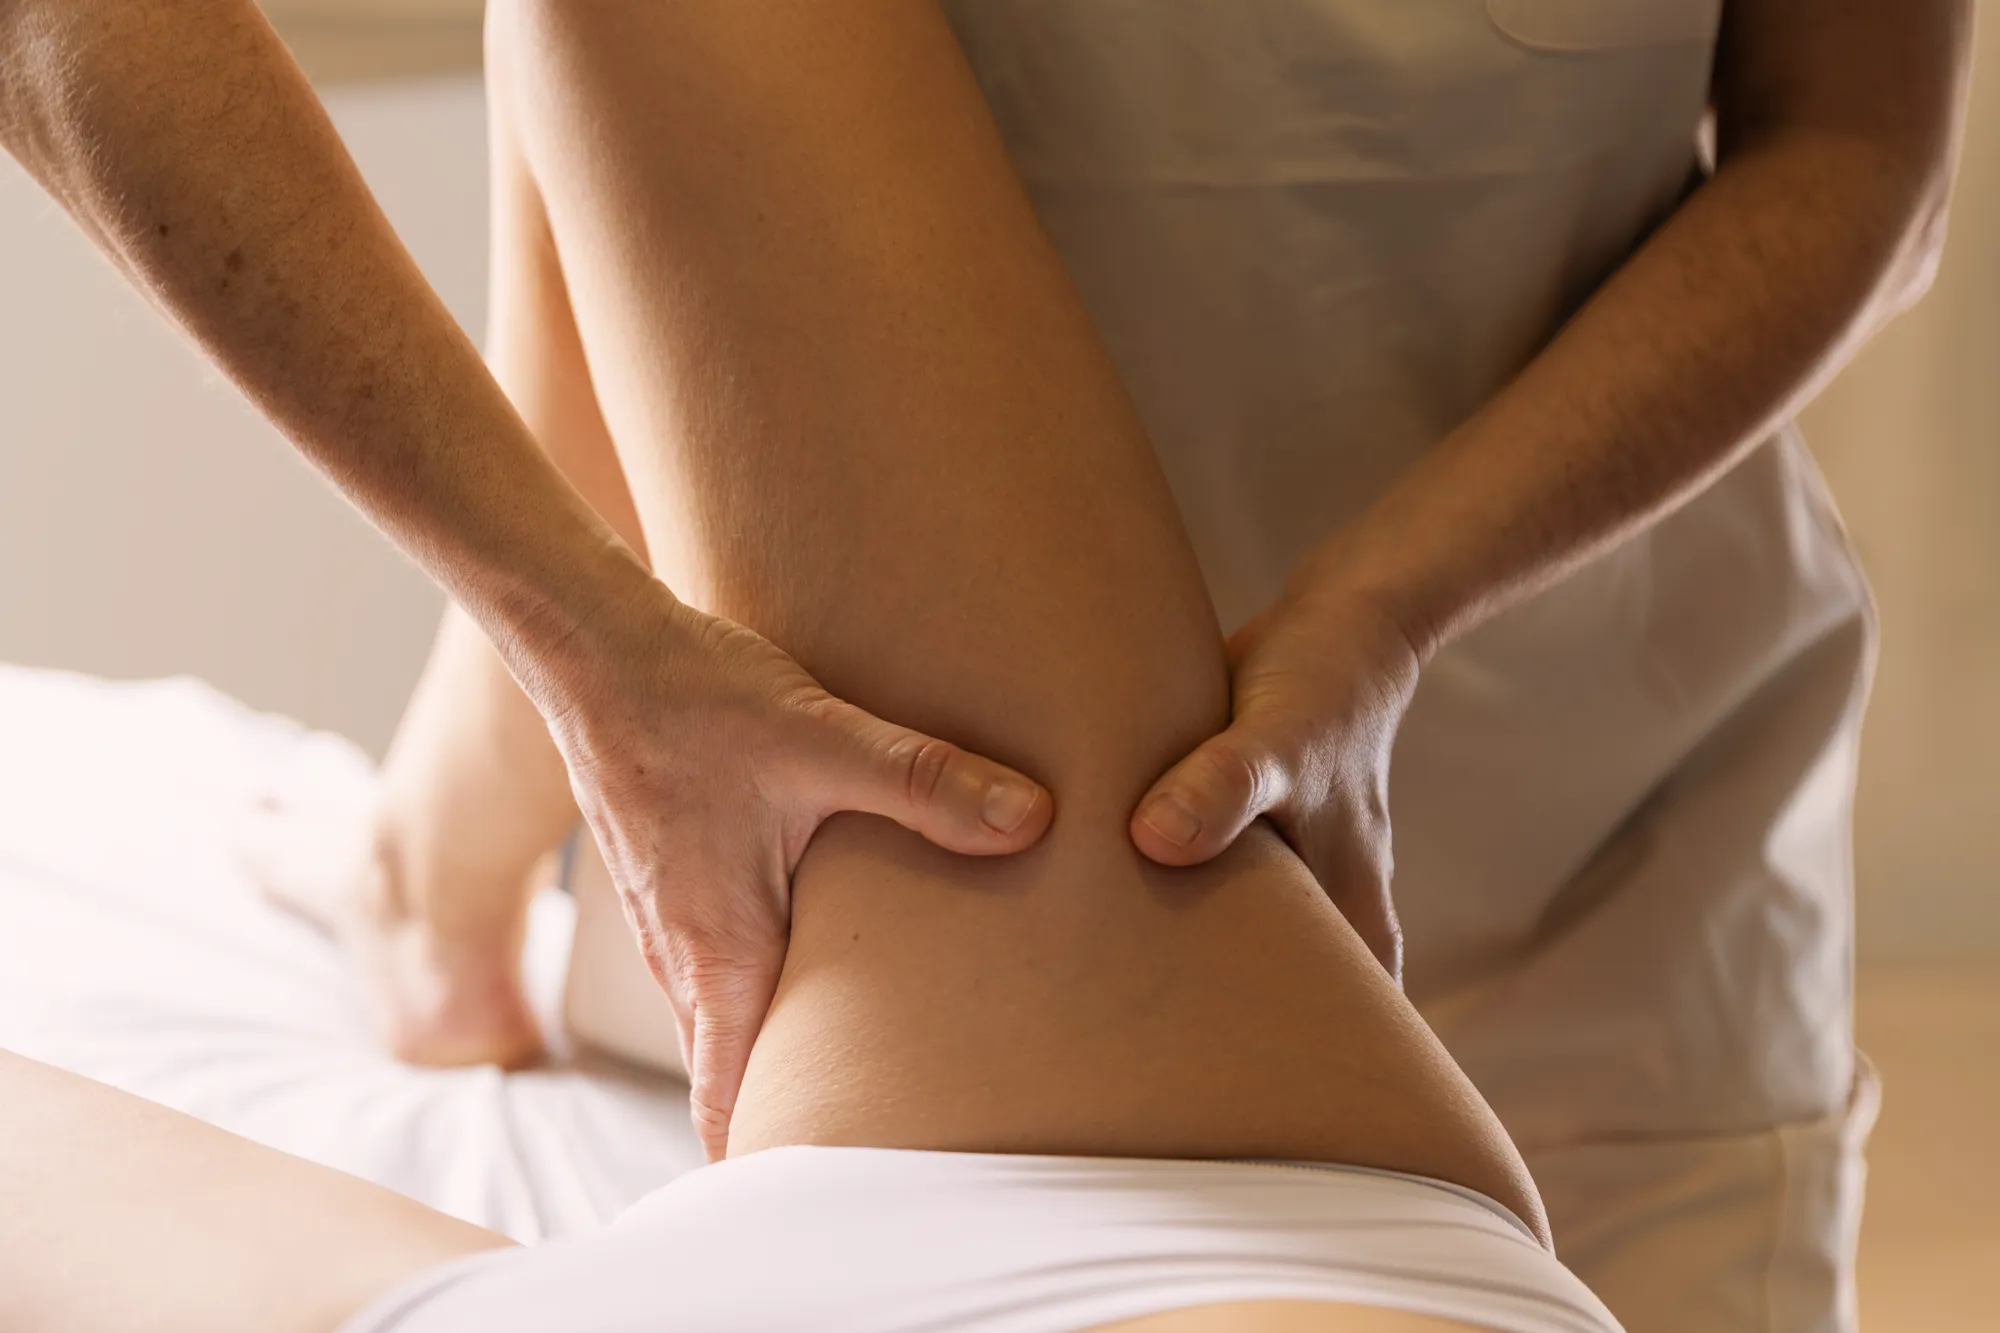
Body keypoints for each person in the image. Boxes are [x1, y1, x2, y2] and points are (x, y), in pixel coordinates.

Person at [0, 2, 1972, 1331]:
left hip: (1571, 855)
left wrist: (1394, 604)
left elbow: (1858, 151)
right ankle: (464, 813)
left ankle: (461, 820)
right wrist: (566, 645)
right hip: (1012, 856)